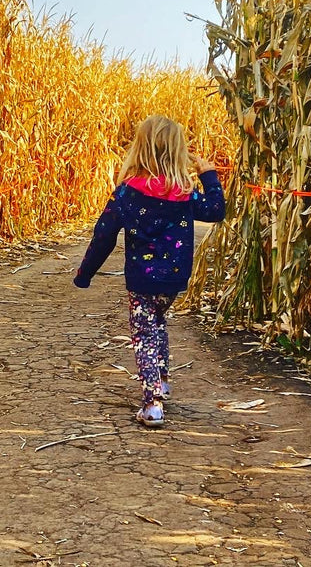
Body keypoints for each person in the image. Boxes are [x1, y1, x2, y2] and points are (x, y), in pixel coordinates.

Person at [73, 115, 226, 428]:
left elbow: (103, 235)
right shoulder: (183, 192)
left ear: (140, 149)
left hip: (142, 279)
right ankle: (164, 380)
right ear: (179, 152)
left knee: (143, 333)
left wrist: (85, 273)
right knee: (157, 322)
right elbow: (215, 211)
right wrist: (209, 176)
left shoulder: (128, 193)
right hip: (174, 279)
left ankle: (152, 402)